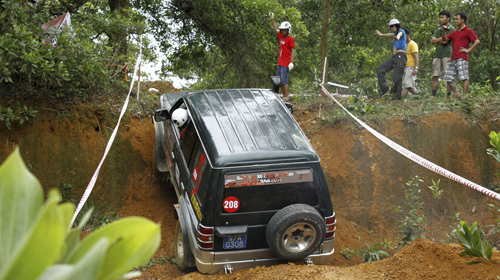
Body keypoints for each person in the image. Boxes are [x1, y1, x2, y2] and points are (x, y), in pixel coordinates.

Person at [441, 12, 480, 97]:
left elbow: (477, 41)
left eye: (457, 19)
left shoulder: (468, 30)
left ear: (462, 20)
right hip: (453, 58)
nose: (455, 21)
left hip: (462, 57)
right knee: (448, 77)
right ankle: (456, 94)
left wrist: (468, 50)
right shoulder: (455, 32)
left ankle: (464, 96)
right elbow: (445, 40)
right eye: (455, 19)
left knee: (464, 77)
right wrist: (443, 32)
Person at [376, 19, 407, 100]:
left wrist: (397, 38)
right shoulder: (394, 33)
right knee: (380, 69)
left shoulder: (401, 32)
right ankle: (385, 89)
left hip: (401, 57)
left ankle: (396, 98)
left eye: (391, 27)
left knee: (397, 78)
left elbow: (399, 35)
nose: (390, 28)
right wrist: (381, 34)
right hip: (394, 57)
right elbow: (388, 35)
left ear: (395, 26)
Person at [269, 12, 295, 98]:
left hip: (286, 63)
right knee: (279, 81)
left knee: (284, 81)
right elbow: (275, 28)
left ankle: (286, 97)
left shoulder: (290, 39)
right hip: (280, 62)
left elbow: (293, 50)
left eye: (285, 30)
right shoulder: (281, 37)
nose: (283, 31)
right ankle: (284, 96)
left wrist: (291, 62)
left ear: (288, 30)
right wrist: (272, 19)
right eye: (282, 30)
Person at [431, 10, 455, 97]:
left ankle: (448, 95)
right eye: (440, 18)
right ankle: (433, 95)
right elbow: (432, 41)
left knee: (448, 76)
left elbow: (445, 41)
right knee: (435, 75)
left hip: (447, 54)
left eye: (443, 17)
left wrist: (439, 40)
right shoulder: (439, 29)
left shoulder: (452, 29)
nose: (441, 19)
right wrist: (440, 40)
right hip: (438, 55)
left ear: (448, 19)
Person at [402, 29, 419, 97]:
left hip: (410, 67)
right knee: (411, 87)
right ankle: (419, 97)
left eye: (404, 36)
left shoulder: (413, 44)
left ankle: (401, 100)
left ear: (408, 36)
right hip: (404, 66)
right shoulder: (403, 44)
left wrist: (416, 68)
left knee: (407, 86)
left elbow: (416, 57)